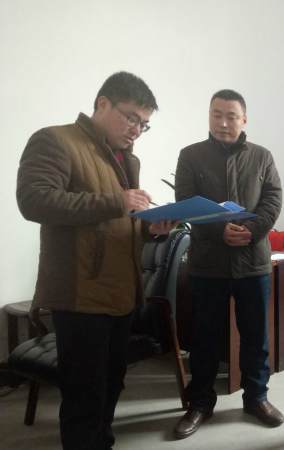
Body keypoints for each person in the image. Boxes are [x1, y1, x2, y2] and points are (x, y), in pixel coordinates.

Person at [16, 71, 177, 450]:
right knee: (84, 396)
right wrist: (117, 202)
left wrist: (152, 229)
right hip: (80, 293)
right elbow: (34, 200)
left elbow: (119, 223)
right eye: (132, 118)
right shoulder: (56, 140)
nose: (137, 130)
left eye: (144, 124)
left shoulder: (125, 159)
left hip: (121, 292)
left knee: (111, 384)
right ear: (103, 104)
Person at [173, 89, 284, 439]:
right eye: (216, 115)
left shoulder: (262, 156)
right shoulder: (191, 155)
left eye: (231, 116)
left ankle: (257, 398)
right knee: (204, 338)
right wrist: (220, 230)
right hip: (208, 265)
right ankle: (200, 403)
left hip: (253, 264)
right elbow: (185, 200)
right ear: (208, 116)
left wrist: (252, 230)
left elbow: (273, 197)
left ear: (244, 119)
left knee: (256, 336)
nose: (223, 122)